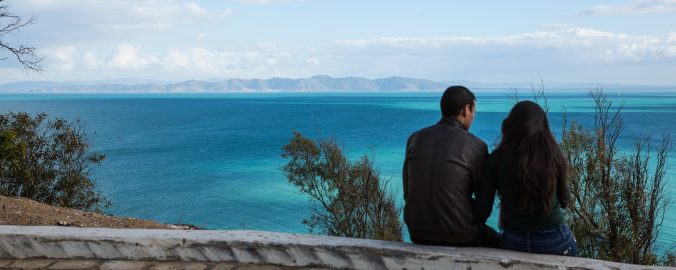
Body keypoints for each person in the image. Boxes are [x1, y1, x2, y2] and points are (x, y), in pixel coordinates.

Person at [473, 100, 577, 256]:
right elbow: (565, 201)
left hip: (514, 241)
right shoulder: (553, 155)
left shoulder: (496, 158)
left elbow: (482, 211)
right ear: (543, 127)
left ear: (510, 125)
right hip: (556, 241)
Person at [403, 85, 500, 247]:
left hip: (417, 231)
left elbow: (408, 193)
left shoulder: (415, 139)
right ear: (466, 109)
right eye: (473, 110)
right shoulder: (477, 146)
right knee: (503, 245)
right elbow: (484, 208)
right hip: (460, 234)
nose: (473, 116)